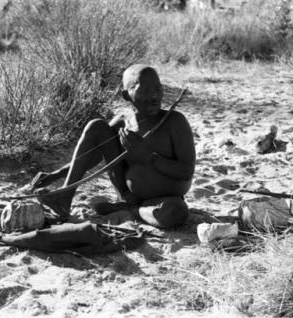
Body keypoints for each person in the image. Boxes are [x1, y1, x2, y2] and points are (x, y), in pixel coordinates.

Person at [31, 64, 196, 229]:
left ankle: (134, 210)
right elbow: (92, 155)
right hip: (128, 193)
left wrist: (150, 157)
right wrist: (56, 174)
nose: (154, 95)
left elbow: (187, 171)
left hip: (166, 199)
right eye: (145, 90)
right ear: (126, 95)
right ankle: (64, 197)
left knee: (176, 213)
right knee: (96, 127)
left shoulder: (175, 122)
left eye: (158, 88)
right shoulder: (124, 123)